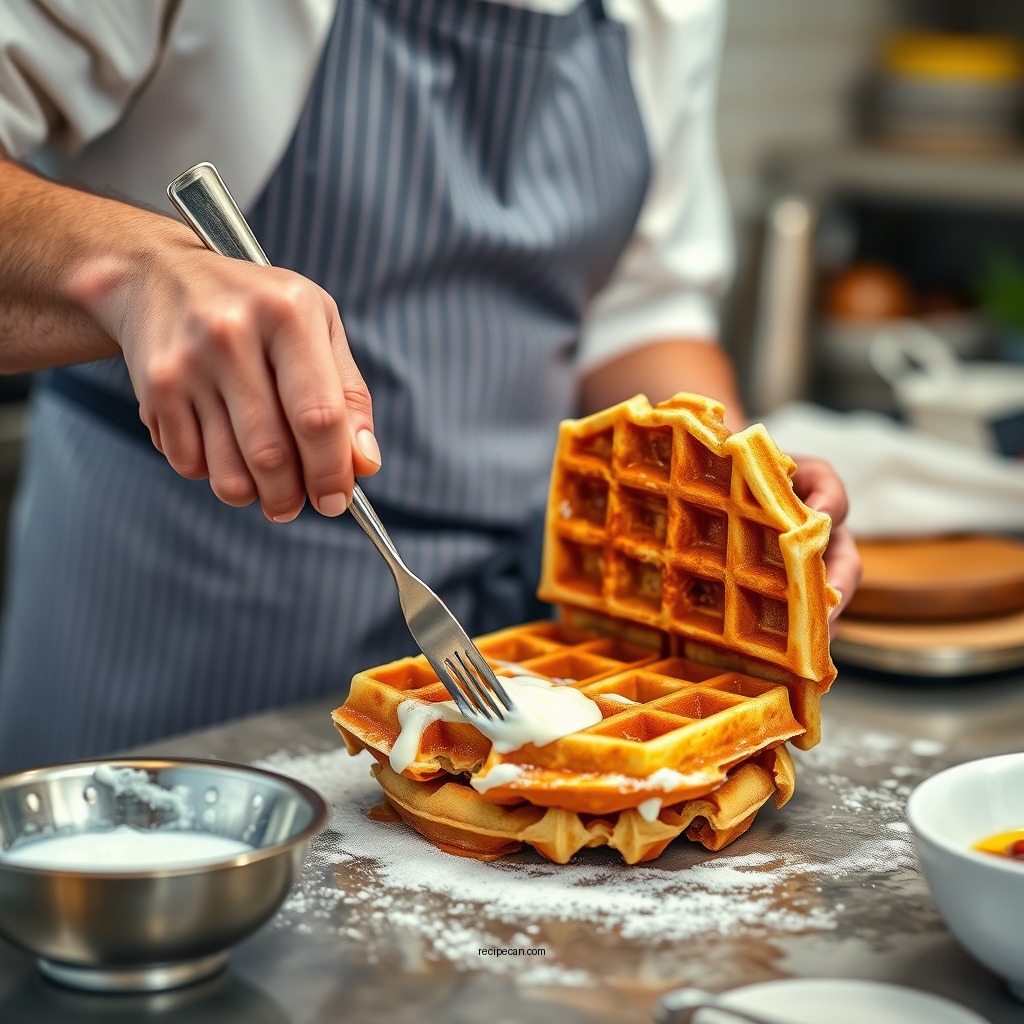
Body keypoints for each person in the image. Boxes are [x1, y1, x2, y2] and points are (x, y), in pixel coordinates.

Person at [0, 0, 860, 772]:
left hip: (513, 638)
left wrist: (732, 507)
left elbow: (637, 305)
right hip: (180, 621)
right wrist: (133, 269)